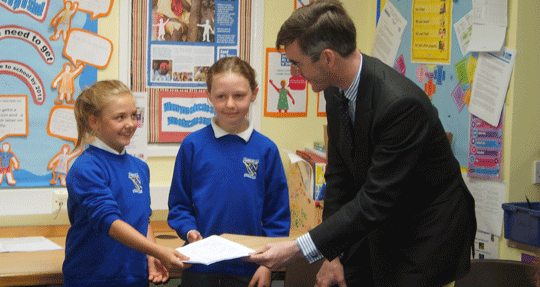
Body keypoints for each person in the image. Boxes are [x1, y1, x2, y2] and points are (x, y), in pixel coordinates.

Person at [246, 1, 477, 286]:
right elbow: (339, 176)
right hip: (376, 221)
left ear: (328, 58)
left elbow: (376, 200)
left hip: (423, 232)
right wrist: (331, 255)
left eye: (297, 63)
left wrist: (297, 249)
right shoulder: (334, 90)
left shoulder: (400, 106)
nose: (294, 73)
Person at [167, 56, 291, 287]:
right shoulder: (192, 146)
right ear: (209, 96)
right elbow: (179, 205)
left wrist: (267, 266)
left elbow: (278, 216)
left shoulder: (266, 150)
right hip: (200, 267)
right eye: (221, 96)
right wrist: (189, 230)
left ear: (254, 94)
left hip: (249, 268)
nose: (230, 104)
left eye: (239, 96)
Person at [63, 80, 190, 287]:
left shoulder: (139, 167)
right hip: (92, 279)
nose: (130, 123)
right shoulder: (86, 167)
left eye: (134, 115)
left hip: (134, 278)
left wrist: (151, 256)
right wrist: (158, 251)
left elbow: (143, 219)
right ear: (94, 122)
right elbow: (109, 222)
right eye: (119, 117)